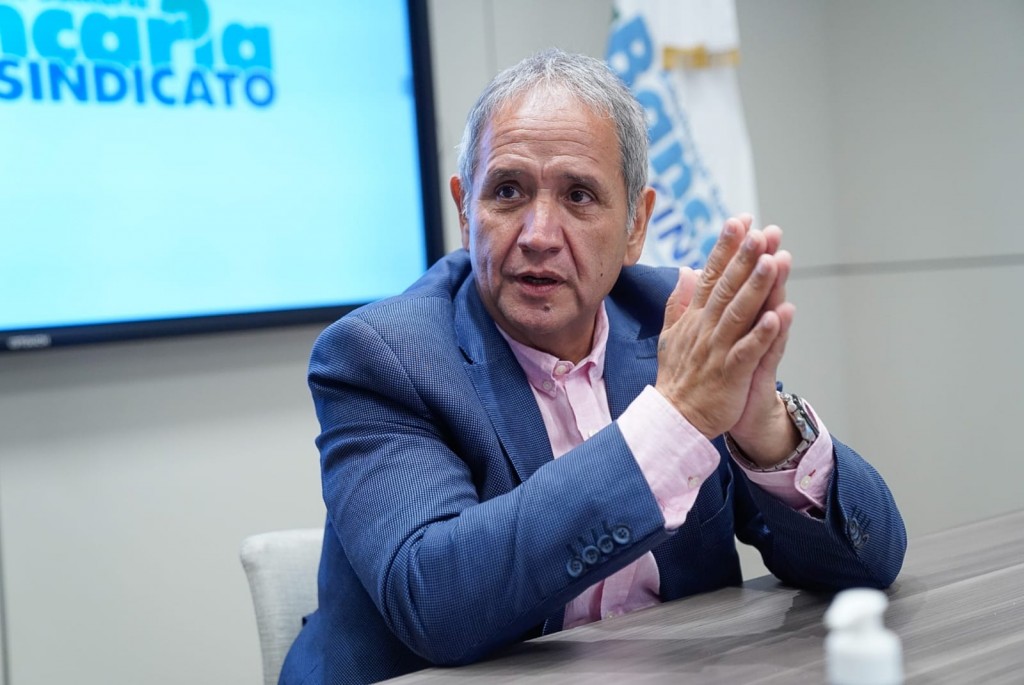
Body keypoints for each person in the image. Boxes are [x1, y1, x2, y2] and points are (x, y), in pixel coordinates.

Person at [279, 48, 906, 685]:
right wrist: (673, 423)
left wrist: (765, 430)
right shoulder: (381, 355)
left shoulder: (670, 318)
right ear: (465, 209)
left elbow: (871, 561)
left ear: (636, 225)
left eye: (579, 196)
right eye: (507, 191)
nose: (538, 234)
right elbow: (437, 603)